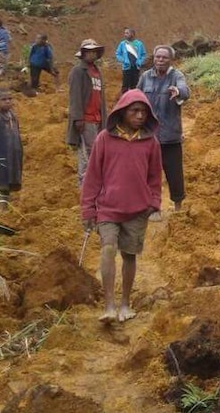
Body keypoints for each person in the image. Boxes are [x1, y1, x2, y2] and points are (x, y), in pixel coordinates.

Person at [81, 89, 161, 324]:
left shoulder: (150, 142)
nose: (139, 116)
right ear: (122, 112)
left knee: (129, 255)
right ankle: (109, 305)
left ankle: (125, 303)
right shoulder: (105, 139)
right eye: (134, 111)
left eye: (143, 112)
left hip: (137, 210)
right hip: (107, 208)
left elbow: (155, 176)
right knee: (107, 249)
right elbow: (92, 177)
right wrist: (88, 209)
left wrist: (154, 202)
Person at [137, 45, 189, 212]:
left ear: (170, 60)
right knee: (149, 173)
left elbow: (185, 91)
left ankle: (178, 206)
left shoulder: (176, 76)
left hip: (170, 136)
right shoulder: (145, 77)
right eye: (157, 57)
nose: (160, 60)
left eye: (164, 58)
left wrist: (178, 91)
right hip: (148, 135)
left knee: (174, 173)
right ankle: (152, 207)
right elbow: (136, 96)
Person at [66, 39, 107, 186]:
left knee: (96, 153)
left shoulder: (97, 72)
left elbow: (101, 98)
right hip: (86, 119)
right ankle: (84, 185)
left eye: (94, 51)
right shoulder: (78, 71)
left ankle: (92, 185)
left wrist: (104, 119)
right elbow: (75, 96)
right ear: (82, 54)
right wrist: (78, 118)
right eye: (88, 52)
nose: (92, 54)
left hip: (97, 118)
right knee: (87, 153)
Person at [0, 88, 23, 208]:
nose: (7, 101)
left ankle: (4, 212)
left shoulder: (13, 117)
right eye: (3, 99)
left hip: (12, 157)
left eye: (9, 99)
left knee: (7, 186)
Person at [115, 27, 147, 93]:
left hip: (136, 67)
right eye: (124, 33)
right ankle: (124, 100)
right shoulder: (122, 44)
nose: (125, 34)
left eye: (127, 33)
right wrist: (124, 60)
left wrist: (140, 62)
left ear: (132, 34)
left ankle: (134, 100)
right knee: (125, 86)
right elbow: (118, 54)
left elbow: (143, 54)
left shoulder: (139, 44)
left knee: (135, 85)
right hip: (126, 68)